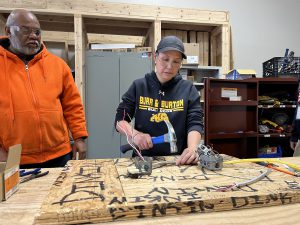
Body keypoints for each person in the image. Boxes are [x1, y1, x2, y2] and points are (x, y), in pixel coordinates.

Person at [0, 9, 88, 168]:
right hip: (14, 159)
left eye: (37, 32)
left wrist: (79, 137)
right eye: (26, 30)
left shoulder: (58, 65)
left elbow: (72, 105)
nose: (33, 36)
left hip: (59, 154)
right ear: (8, 31)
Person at [115, 36, 204, 165]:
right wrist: (134, 135)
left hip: (178, 161)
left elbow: (195, 123)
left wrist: (192, 148)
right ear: (155, 58)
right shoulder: (139, 86)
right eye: (165, 59)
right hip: (143, 160)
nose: (169, 66)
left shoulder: (188, 89)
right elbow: (119, 121)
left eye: (176, 62)